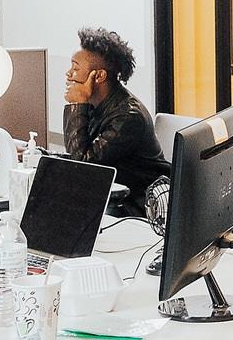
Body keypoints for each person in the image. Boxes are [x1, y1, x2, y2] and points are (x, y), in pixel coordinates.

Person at [63, 26, 168, 206]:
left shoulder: (128, 117)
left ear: (99, 76)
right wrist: (38, 154)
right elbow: (82, 151)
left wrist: (77, 104)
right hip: (114, 192)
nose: (68, 73)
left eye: (75, 68)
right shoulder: (97, 103)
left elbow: (82, 166)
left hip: (139, 203)